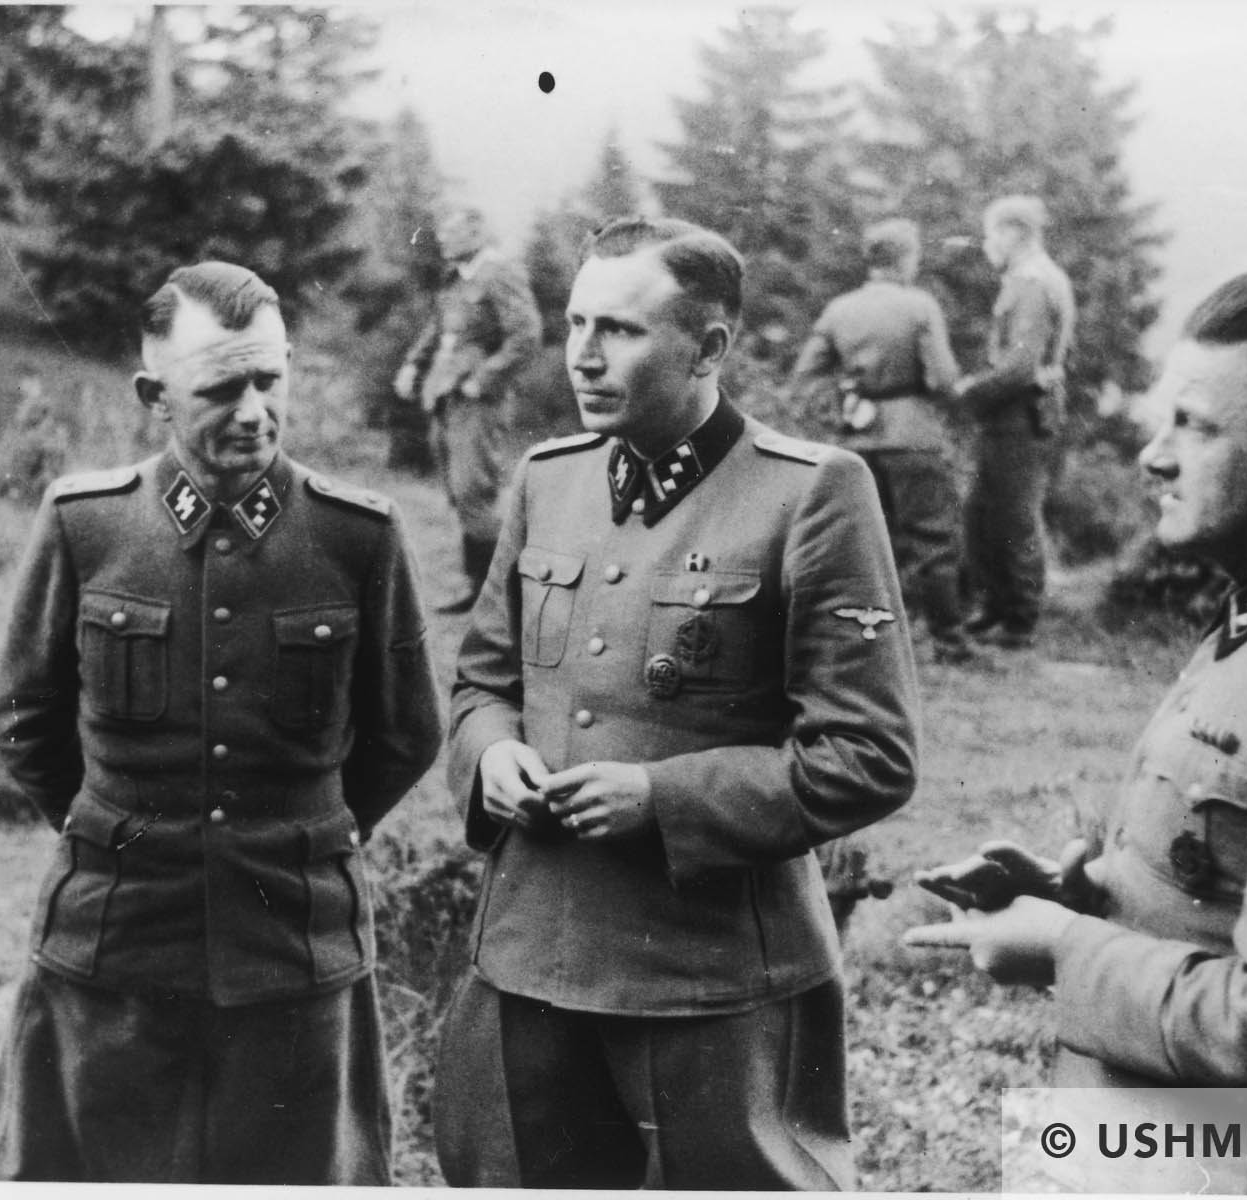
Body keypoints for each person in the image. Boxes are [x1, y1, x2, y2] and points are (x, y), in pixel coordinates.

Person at [436, 216, 920, 1189]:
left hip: (708, 981)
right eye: (575, 323)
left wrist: (664, 801)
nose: (582, 355)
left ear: (708, 347)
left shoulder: (810, 493)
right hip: (528, 956)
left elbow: (869, 755)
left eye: (618, 329)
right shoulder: (547, 480)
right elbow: (481, 682)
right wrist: (489, 756)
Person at [0, 261, 443, 1184]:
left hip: (292, 947)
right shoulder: (87, 526)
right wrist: (120, 832)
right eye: (220, 387)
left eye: (270, 379)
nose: (252, 409)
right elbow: (24, 717)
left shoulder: (358, 537)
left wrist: (303, 836)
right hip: (115, 942)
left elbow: (405, 733)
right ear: (155, 395)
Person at [906, 271, 1247, 1095]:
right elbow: (1221, 889)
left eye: (1193, 426)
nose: (1153, 456)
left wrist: (1063, 950)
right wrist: (1087, 899)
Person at [792, 217, 968, 662]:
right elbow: (945, 379)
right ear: (907, 259)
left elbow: (805, 377)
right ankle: (950, 642)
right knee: (933, 541)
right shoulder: (919, 306)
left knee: (863, 544)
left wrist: (844, 402)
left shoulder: (839, 309)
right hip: (914, 436)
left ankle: (863, 643)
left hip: (857, 440)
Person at [394, 207, 541, 612]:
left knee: (474, 490)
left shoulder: (499, 273)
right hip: (444, 397)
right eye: (441, 233)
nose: (443, 241)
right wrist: (412, 363)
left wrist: (484, 378)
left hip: (479, 402)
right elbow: (440, 328)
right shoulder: (456, 280)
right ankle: (477, 589)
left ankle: (501, 596)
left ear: (477, 233)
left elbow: (526, 335)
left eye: (452, 233)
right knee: (460, 494)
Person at [956, 194, 1077, 649]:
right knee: (984, 513)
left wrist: (967, 392)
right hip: (1022, 414)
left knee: (1013, 516)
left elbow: (1020, 368)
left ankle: (1019, 619)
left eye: (991, 234)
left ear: (1013, 233)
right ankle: (997, 608)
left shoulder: (1029, 282)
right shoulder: (1045, 278)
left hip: (1019, 417)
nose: (988, 244)